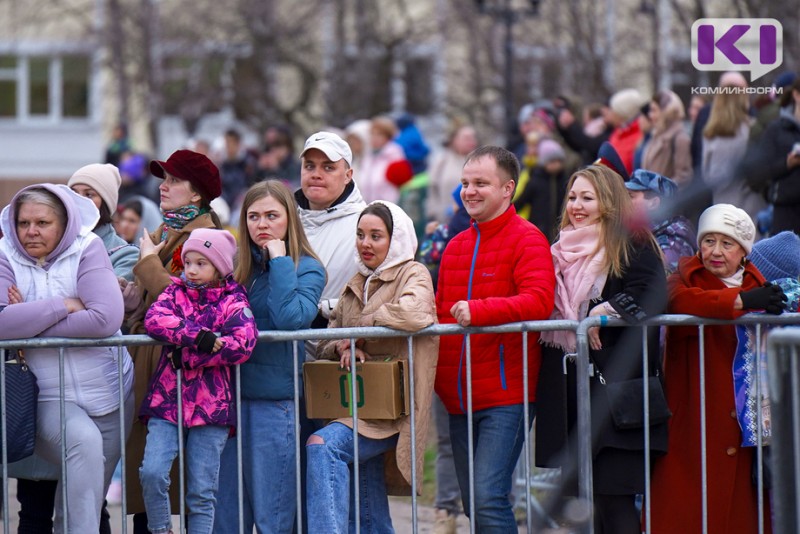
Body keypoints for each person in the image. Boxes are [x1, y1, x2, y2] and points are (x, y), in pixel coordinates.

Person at [533, 164, 668, 533]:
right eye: (573, 197)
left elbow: (654, 292)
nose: (577, 205)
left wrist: (608, 309)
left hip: (619, 396)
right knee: (588, 507)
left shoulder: (632, 242)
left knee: (614, 501)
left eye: (587, 198)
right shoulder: (559, 250)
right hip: (576, 399)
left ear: (608, 202)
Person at [0, 184, 134, 532]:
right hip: (47, 396)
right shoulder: (4, 253)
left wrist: (27, 321)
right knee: (82, 441)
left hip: (112, 395)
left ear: (63, 224)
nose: (31, 231)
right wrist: (64, 305)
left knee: (84, 501)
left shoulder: (87, 247)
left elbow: (105, 319)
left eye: (42, 222)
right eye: (23, 223)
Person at [435, 146, 556, 530]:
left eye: (480, 184)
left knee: (487, 497)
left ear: (508, 189)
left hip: (507, 394)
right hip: (456, 397)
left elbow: (539, 301)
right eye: (465, 183)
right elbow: (440, 313)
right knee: (476, 502)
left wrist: (479, 310)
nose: (469, 191)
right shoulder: (456, 246)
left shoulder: (528, 239)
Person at [650, 203, 785, 534]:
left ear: (744, 251)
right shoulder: (682, 276)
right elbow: (680, 302)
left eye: (727, 243)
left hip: (744, 424)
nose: (715, 251)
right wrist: (740, 303)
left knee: (739, 515)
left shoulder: (760, 283)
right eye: (709, 241)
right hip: (693, 420)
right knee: (686, 513)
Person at [306, 201, 438, 533]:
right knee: (370, 512)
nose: (366, 243)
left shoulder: (413, 272)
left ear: (395, 240)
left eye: (376, 236)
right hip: (356, 409)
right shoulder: (354, 283)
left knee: (322, 446)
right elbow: (326, 339)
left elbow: (416, 313)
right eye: (361, 235)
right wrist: (341, 344)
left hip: (393, 413)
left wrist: (362, 331)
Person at [214, 180, 325, 533]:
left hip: (275, 404)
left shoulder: (307, 267)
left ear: (289, 220)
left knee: (273, 516)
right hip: (226, 404)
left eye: (272, 216)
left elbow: (291, 319)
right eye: (254, 216)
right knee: (226, 518)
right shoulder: (235, 269)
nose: (262, 224)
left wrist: (279, 260)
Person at [125, 149, 223, 533]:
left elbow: (190, 304)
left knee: (183, 486)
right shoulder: (167, 230)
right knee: (147, 481)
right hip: (154, 362)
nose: (163, 188)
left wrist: (148, 263)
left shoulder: (205, 236)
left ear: (196, 193)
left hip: (182, 371)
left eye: (173, 181)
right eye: (162, 179)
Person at [139, 228, 256, 534]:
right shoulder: (174, 292)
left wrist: (191, 356)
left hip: (211, 407)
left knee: (202, 491)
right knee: (152, 472)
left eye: (201, 263)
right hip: (168, 401)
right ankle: (161, 529)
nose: (191, 269)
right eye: (188, 261)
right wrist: (198, 336)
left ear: (220, 267)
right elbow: (154, 319)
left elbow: (243, 342)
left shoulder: (234, 299)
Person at [295, 131, 367, 333]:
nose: (316, 174)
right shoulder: (282, 221)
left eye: (328, 167)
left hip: (339, 356)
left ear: (348, 175)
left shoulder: (366, 224)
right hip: (287, 357)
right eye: (309, 166)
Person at [702, 73, 765, 226]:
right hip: (749, 211)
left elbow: (706, 175)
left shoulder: (710, 133)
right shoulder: (752, 129)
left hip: (720, 210)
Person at [742, 77, 800, 234]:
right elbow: (757, 173)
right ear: (796, 94)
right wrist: (787, 164)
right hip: (785, 212)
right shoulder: (776, 129)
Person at [69, 163, 139, 280]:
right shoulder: (55, 244)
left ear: (106, 203)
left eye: (89, 195)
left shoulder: (126, 254)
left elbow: (103, 296)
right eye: (73, 193)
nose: (79, 200)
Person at [625, 169, 697, 275]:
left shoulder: (671, 243)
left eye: (630, 196)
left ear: (653, 203)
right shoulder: (645, 232)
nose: (623, 201)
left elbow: (666, 287)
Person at [513, 138, 569, 240]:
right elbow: (522, 200)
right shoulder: (536, 180)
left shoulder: (564, 180)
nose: (556, 164)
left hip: (559, 229)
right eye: (552, 161)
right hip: (539, 227)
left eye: (559, 161)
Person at [425, 124, 478, 225]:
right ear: (454, 139)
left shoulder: (480, 160)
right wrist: (434, 213)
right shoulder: (442, 160)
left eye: (473, 137)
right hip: (444, 219)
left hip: (471, 220)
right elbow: (432, 188)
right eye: (466, 138)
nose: (471, 141)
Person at [642, 90, 693, 188]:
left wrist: (661, 191)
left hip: (666, 201)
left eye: (654, 110)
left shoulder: (680, 138)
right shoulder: (656, 135)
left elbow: (683, 177)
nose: (650, 115)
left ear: (667, 111)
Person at [359, 116, 410, 203]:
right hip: (367, 204)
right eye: (372, 134)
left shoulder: (394, 156)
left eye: (379, 134)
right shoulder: (368, 155)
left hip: (387, 206)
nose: (375, 138)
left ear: (387, 136)